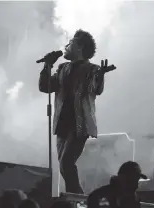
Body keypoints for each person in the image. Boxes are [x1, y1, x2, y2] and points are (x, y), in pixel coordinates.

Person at [38, 29, 116, 194]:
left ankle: (77, 200)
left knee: (66, 163)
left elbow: (95, 89)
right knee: (63, 167)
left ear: (79, 47)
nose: (66, 46)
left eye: (70, 43)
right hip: (62, 124)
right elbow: (46, 87)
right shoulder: (62, 68)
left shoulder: (92, 69)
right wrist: (47, 65)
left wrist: (100, 75)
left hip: (79, 124)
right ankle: (75, 199)